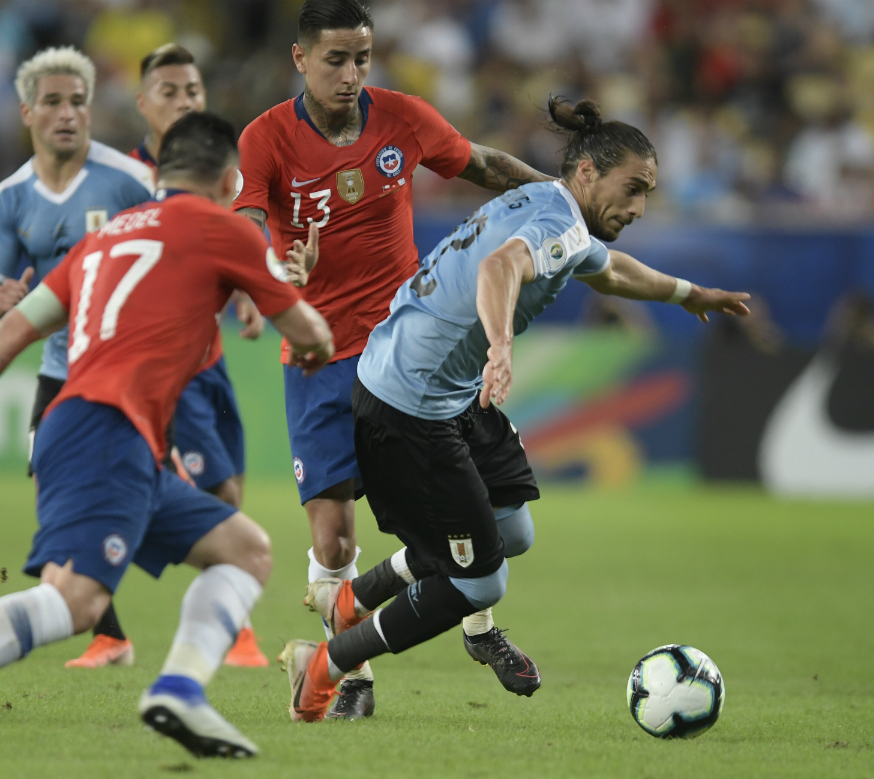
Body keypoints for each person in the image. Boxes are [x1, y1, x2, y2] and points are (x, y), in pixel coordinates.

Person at [0, 112, 333, 758]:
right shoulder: (224, 228)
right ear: (228, 182)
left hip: (92, 430)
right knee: (76, 601)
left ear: (159, 176)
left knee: (245, 549)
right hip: (107, 431)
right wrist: (304, 332)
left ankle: (182, 692)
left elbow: (9, 332)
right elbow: (313, 336)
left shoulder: (102, 241)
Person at [279, 99, 751, 721]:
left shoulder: (554, 208)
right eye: (632, 189)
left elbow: (611, 274)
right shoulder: (558, 224)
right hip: (409, 406)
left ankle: (353, 600)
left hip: (442, 390)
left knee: (511, 532)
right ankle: (323, 663)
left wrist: (692, 293)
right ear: (587, 172)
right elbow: (501, 267)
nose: (638, 209)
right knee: (481, 582)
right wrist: (500, 347)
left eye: (647, 194)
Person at [233, 0, 560, 716]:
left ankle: (479, 626)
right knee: (335, 531)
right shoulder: (265, 139)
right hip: (318, 354)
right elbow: (248, 220)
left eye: (362, 59)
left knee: (483, 510)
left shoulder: (403, 118)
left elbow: (482, 164)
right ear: (300, 60)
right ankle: (352, 673)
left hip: (413, 351)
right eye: (335, 60)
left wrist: (560, 197)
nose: (351, 75)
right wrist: (275, 273)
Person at [0, 46, 156, 670]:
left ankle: (228, 612)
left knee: (159, 500)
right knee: (52, 492)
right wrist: (0, 299)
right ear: (26, 111)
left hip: (133, 372)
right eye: (52, 102)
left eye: (78, 101)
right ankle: (109, 634)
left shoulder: (129, 182)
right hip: (60, 371)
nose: (68, 114)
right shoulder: (10, 198)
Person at [129, 43, 268, 668]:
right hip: (166, 364)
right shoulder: (125, 178)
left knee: (230, 484)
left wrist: (248, 291)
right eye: (170, 92)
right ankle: (229, 626)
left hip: (211, 359)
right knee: (217, 490)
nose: (184, 101)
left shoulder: (226, 177)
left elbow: (247, 233)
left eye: (193, 91)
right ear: (144, 105)